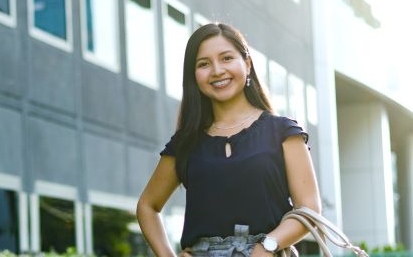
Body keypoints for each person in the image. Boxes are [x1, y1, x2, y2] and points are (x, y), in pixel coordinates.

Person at [136, 23, 322, 257]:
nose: (216, 71)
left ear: (247, 63)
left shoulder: (283, 132)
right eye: (203, 64)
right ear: (194, 76)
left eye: (226, 58)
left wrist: (268, 245)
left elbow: (309, 209)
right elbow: (147, 206)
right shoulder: (186, 143)